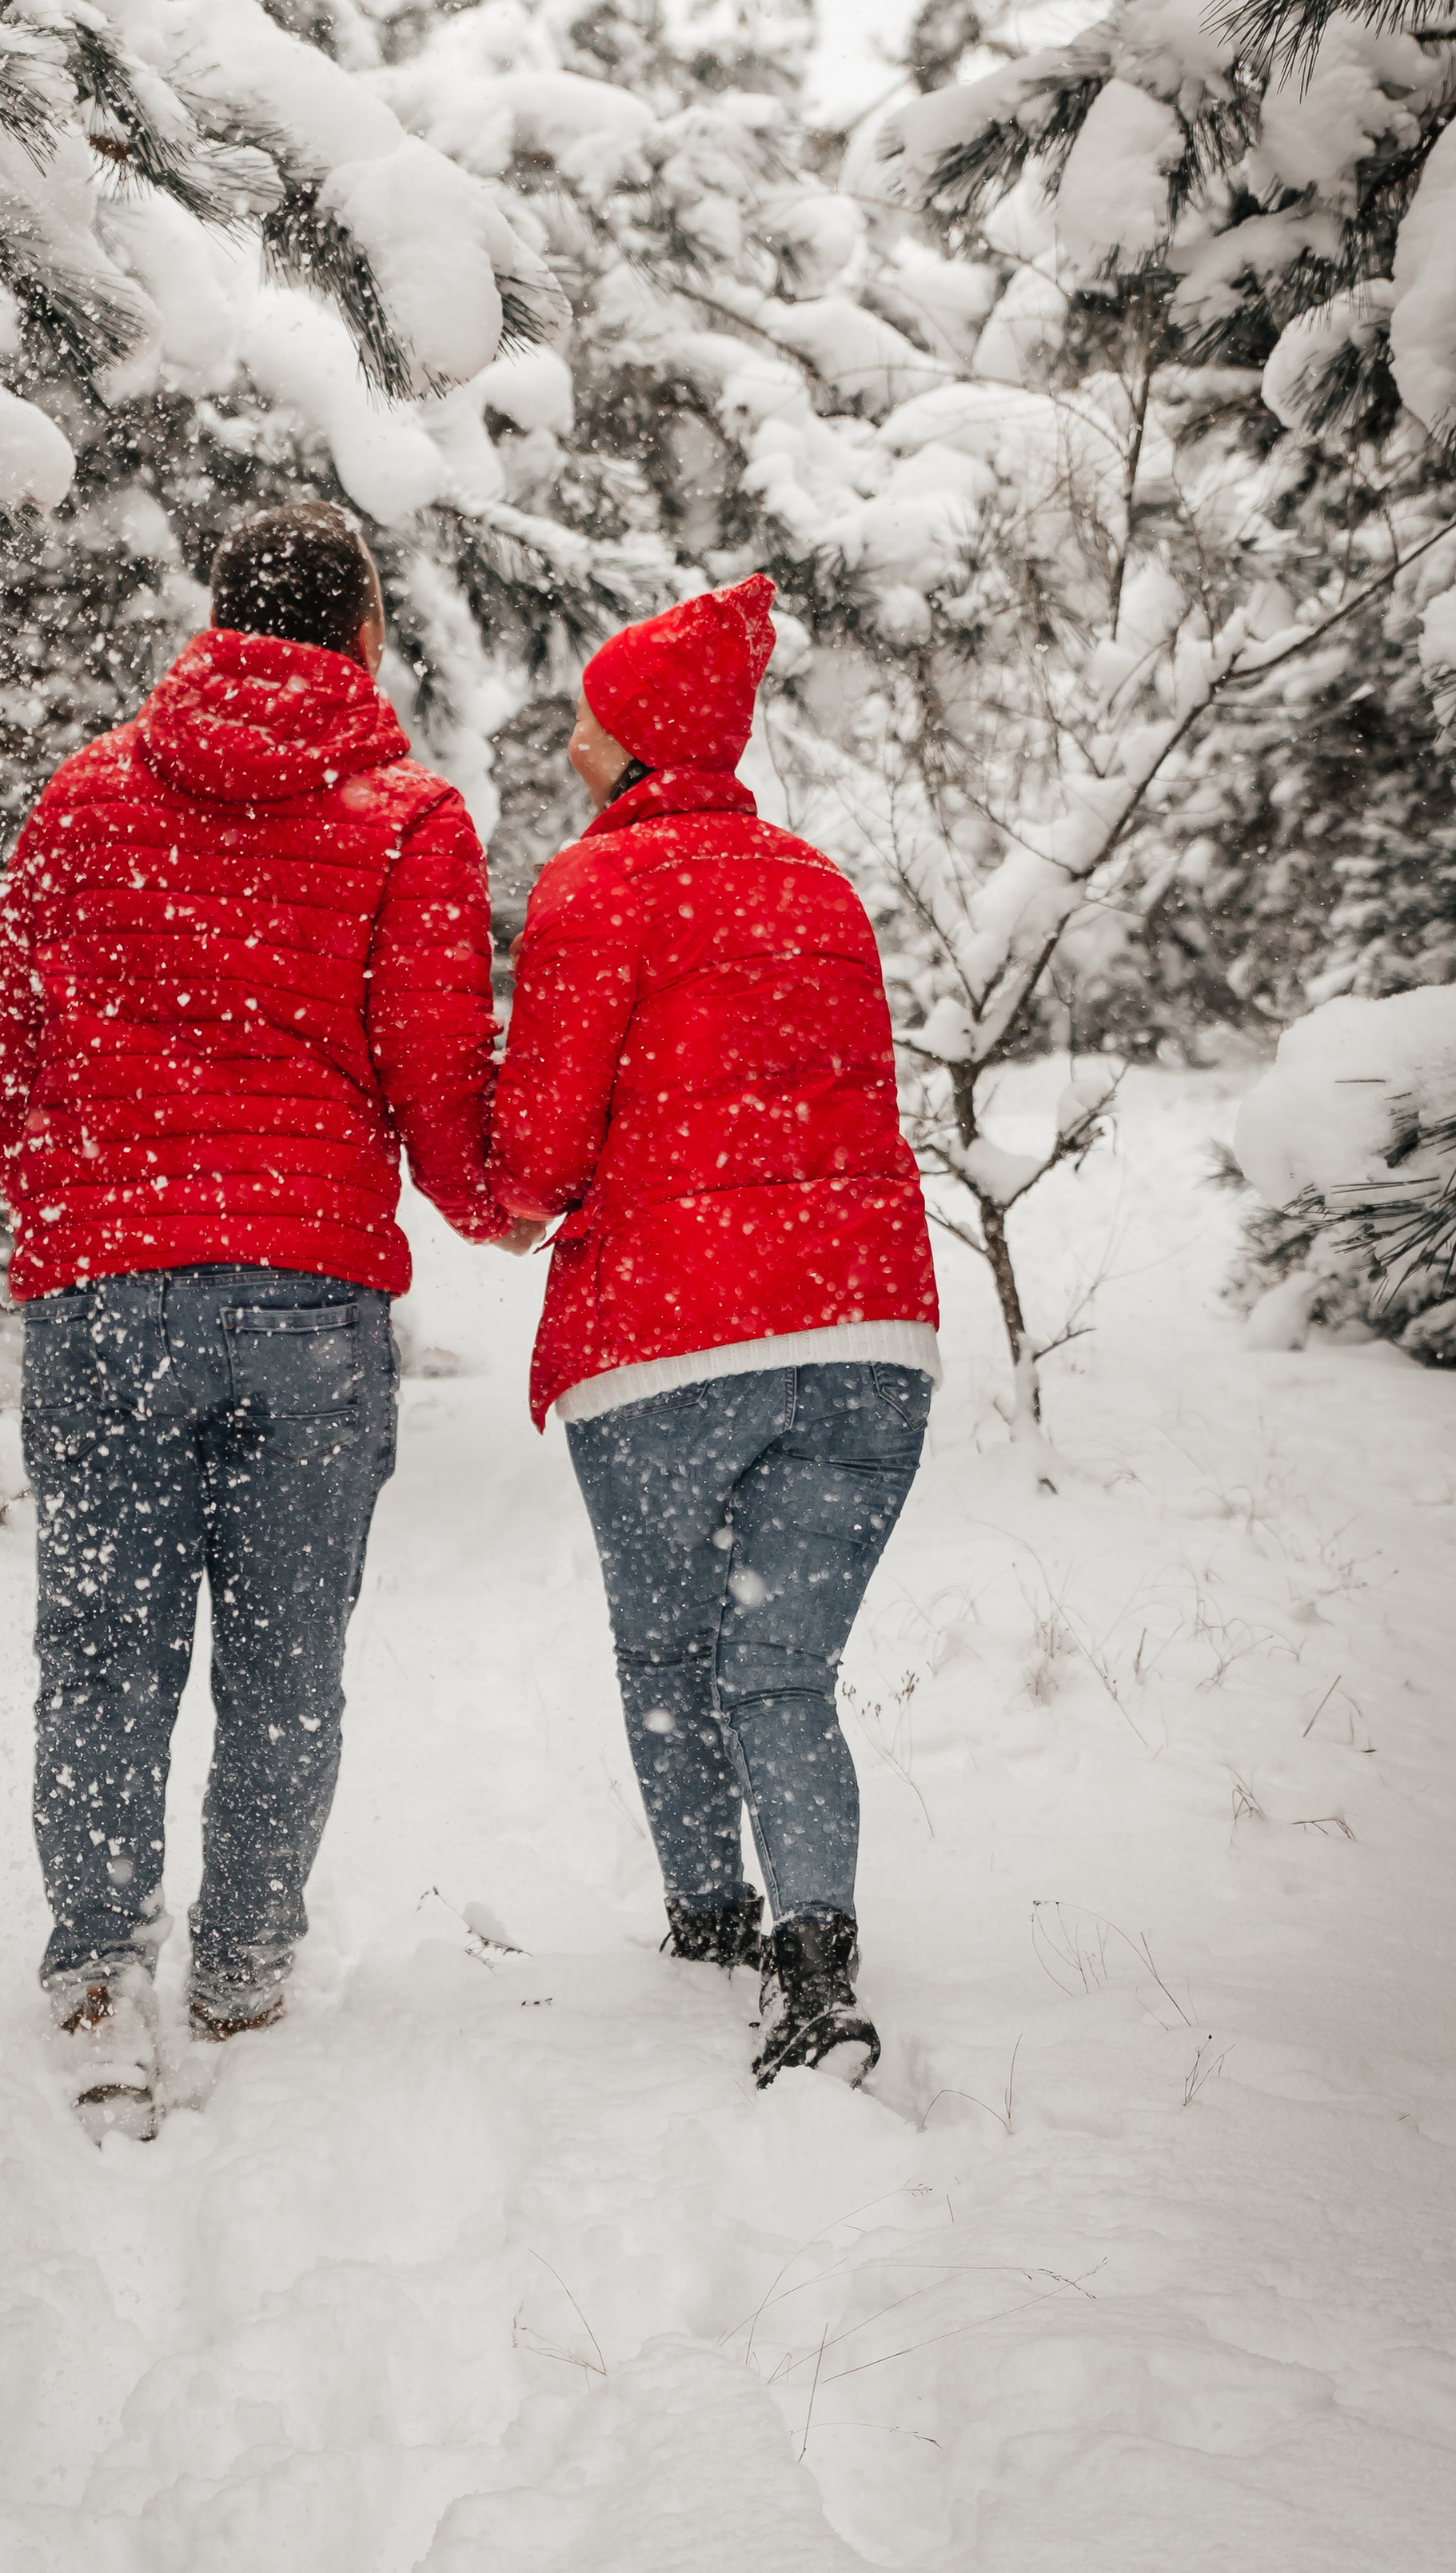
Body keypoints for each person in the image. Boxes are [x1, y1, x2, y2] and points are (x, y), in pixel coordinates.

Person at [0, 502, 509, 2121]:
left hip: (104, 1289)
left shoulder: (78, 798)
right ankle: (245, 1965)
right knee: (284, 1661)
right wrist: (501, 1199)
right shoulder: (411, 821)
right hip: (306, 1297)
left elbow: (9, 1041)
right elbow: (434, 1086)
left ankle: (94, 1972)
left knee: (102, 1650)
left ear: (212, 622)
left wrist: (72, 1205)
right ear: (362, 639)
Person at [493, 574, 938, 2088]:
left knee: (673, 1654)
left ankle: (707, 1920)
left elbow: (539, 1159)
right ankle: (816, 1959)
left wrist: (482, 1193)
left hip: (674, 1344)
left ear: (635, 744)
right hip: (869, 1338)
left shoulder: (593, 891)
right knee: (784, 1668)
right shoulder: (818, 886)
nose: (569, 750)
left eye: (586, 726)